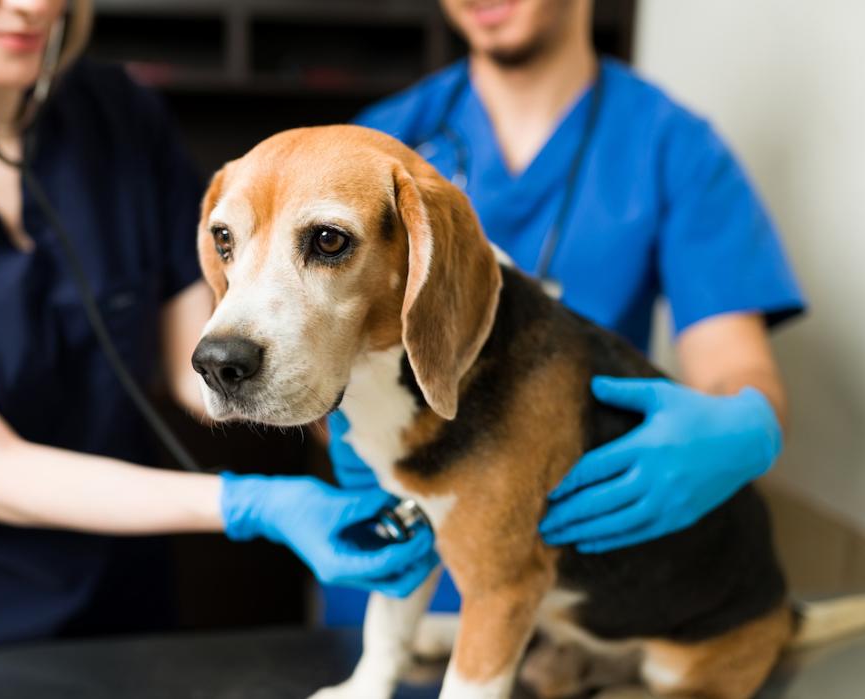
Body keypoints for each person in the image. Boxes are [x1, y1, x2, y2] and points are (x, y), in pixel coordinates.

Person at [0, 0, 436, 652]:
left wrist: (403, 420)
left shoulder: (113, 113)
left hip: (131, 609)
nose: (36, 6)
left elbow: (201, 365)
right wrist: (254, 504)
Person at [325, 0, 804, 621]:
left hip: (570, 576)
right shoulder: (374, 151)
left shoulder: (672, 147)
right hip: (399, 570)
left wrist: (743, 427)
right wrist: (331, 419)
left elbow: (730, 364)